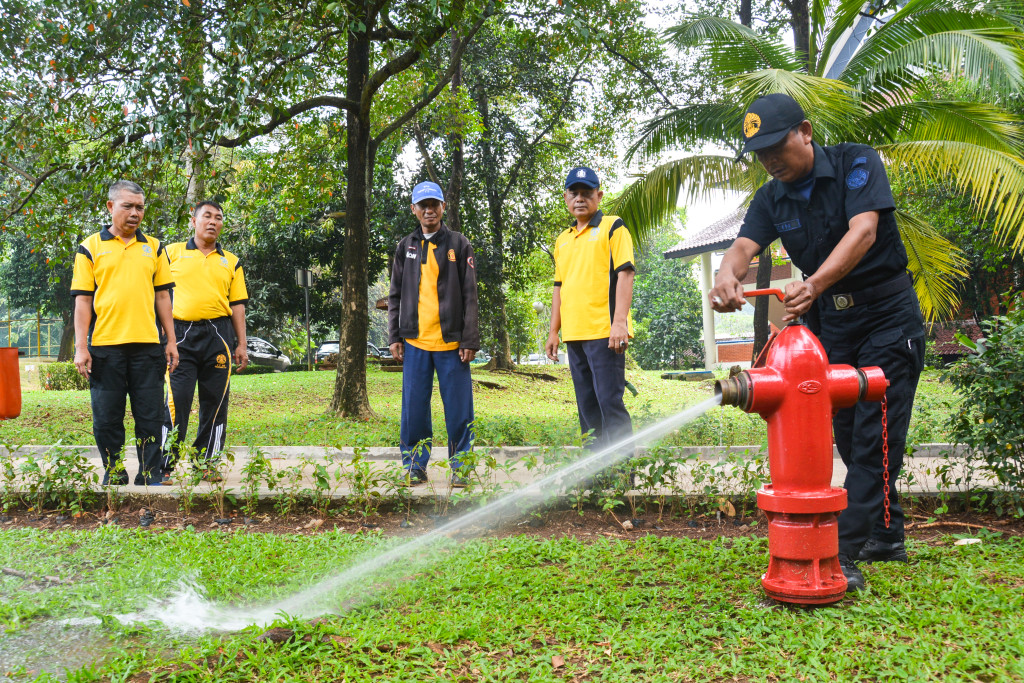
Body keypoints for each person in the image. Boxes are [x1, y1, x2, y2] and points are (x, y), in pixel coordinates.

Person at [709, 93, 925, 590]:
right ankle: (887, 535)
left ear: (804, 131)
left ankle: (840, 551)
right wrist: (726, 276)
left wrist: (816, 284)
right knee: (849, 434)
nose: (770, 160)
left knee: (875, 438)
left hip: (887, 316)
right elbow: (743, 247)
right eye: (759, 153)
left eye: (776, 145)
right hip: (834, 325)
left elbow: (865, 230)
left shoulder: (856, 163)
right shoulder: (771, 197)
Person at [70, 180, 178, 486]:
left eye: (140, 207)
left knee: (150, 417)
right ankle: (114, 472)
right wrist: (81, 347)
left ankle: (150, 475)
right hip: (105, 349)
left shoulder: (155, 247)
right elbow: (83, 301)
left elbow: (162, 298)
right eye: (127, 206)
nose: (135, 213)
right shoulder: (90, 247)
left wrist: (170, 341)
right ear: (110, 207)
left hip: (148, 348)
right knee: (106, 417)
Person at [388, 181, 480, 487]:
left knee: (458, 409)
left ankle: (461, 467)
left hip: (452, 344)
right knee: (414, 409)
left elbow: (470, 295)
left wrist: (469, 339)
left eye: (434, 204)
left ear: (443, 208)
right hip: (415, 343)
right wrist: (394, 336)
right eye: (422, 205)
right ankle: (415, 464)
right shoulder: (405, 247)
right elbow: (395, 295)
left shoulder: (459, 244)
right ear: (414, 209)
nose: (429, 210)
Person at [544, 166, 636, 462]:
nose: (580, 198)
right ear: (565, 197)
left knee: (610, 402)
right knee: (586, 406)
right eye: (574, 192)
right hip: (575, 335)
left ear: (599, 195)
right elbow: (560, 287)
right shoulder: (562, 239)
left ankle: (623, 474)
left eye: (586, 192)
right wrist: (553, 331)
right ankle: (595, 472)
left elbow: (625, 273)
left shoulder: (613, 226)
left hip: (605, 332)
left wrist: (619, 323)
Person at [160, 200, 249, 483]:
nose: (213, 221)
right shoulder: (170, 253)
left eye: (219, 217)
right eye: (207, 216)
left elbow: (238, 306)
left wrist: (242, 344)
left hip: (219, 336)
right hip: (180, 336)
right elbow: (157, 296)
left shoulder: (232, 261)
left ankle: (206, 463)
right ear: (194, 220)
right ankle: (165, 465)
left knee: (216, 402)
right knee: (176, 401)